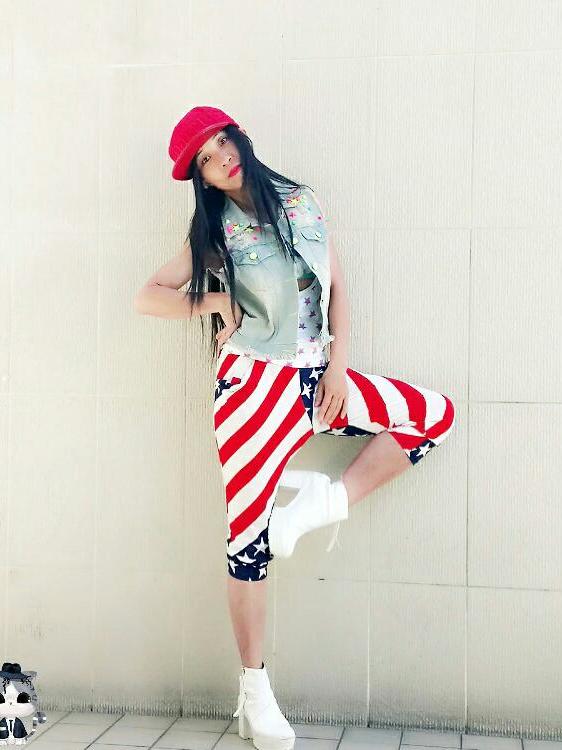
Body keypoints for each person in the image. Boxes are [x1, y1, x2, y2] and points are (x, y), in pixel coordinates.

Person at [134, 106, 457, 750]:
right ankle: (255, 693)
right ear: (202, 178)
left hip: (318, 376)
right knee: (247, 542)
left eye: (222, 142)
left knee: (431, 416)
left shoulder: (300, 199)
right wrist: (218, 299)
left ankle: (321, 503)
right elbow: (148, 296)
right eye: (206, 159)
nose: (221, 158)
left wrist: (338, 366)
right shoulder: (214, 231)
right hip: (252, 389)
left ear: (240, 139)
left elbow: (336, 282)